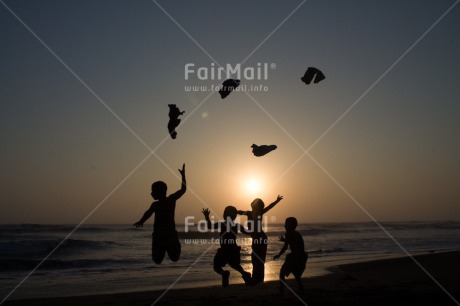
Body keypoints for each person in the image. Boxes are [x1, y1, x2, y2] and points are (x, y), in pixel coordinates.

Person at [133, 164, 186, 264]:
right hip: (170, 233)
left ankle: (164, 246)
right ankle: (170, 245)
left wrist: (141, 221)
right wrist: (183, 176)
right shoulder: (171, 200)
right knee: (175, 258)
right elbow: (183, 190)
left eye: (153, 191)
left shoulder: (156, 204)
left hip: (159, 234)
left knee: (157, 260)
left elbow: (148, 213)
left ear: (159, 192)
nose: (151, 193)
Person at [237, 195, 283, 285]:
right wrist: (233, 211)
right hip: (256, 238)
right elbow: (240, 212)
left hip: (261, 238)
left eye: (256, 206)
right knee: (255, 259)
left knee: (259, 259)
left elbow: (270, 206)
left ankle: (258, 279)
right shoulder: (249, 213)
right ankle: (256, 278)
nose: (254, 207)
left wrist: (277, 201)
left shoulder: (259, 212)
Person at [202, 207, 251, 287]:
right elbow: (248, 232)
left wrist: (207, 217)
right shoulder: (236, 225)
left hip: (224, 249)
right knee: (235, 265)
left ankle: (223, 273)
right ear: (234, 216)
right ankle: (245, 274)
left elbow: (210, 226)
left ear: (224, 215)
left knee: (216, 266)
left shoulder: (222, 224)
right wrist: (251, 219)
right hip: (234, 249)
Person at [273, 217, 308, 292]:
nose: (284, 226)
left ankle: (282, 289)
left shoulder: (288, 233)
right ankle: (300, 287)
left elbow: (285, 247)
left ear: (292, 225)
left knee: (282, 272)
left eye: (286, 224)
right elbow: (294, 242)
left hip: (295, 256)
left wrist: (278, 255)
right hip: (302, 256)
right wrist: (285, 240)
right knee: (296, 273)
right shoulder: (297, 233)